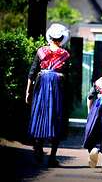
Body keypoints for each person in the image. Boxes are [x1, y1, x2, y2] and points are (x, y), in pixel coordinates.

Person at [25, 23, 70, 167]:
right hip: (58, 87)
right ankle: (52, 157)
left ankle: (38, 148)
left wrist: (28, 92)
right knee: (56, 117)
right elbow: (68, 76)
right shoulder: (65, 55)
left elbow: (32, 73)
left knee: (39, 114)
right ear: (62, 38)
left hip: (41, 85)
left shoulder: (41, 51)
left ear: (49, 37)